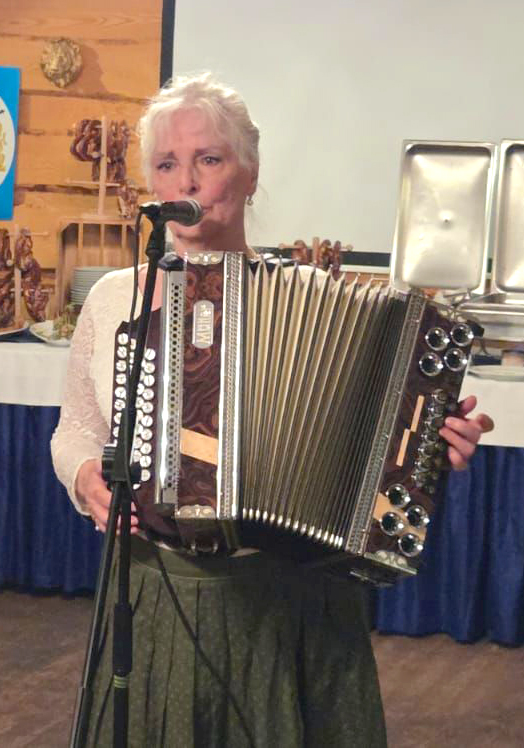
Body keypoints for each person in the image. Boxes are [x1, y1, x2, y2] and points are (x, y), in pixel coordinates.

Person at [51, 73, 493, 748]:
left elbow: (382, 433)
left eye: (208, 159)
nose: (186, 182)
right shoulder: (115, 298)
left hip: (293, 599)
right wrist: (85, 476)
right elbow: (76, 429)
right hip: (158, 590)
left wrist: (433, 437)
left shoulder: (316, 300)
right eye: (166, 164)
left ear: (250, 174)